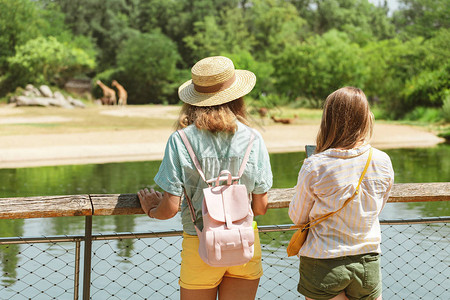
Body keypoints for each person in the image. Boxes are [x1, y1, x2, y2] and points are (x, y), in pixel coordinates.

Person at [138, 56, 273, 300]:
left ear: (194, 100)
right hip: (245, 244)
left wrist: (151, 209)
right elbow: (260, 207)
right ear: (237, 96)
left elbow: (169, 209)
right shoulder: (254, 139)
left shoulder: (181, 141)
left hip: (200, 246)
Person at [289, 87, 394, 300]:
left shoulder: (315, 165)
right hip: (367, 261)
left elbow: (297, 217)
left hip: (323, 261)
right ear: (366, 118)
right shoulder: (382, 160)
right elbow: (376, 208)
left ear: (328, 120)